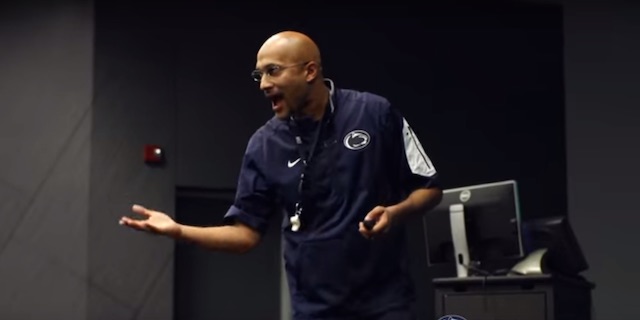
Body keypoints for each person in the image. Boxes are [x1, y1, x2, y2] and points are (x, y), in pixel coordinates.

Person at [119, 30, 443, 320]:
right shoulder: (264, 145)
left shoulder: (374, 113)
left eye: (272, 71)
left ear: (310, 71)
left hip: (384, 304)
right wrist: (177, 230)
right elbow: (244, 235)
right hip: (314, 309)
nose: (263, 84)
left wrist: (394, 212)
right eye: (258, 75)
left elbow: (429, 189)